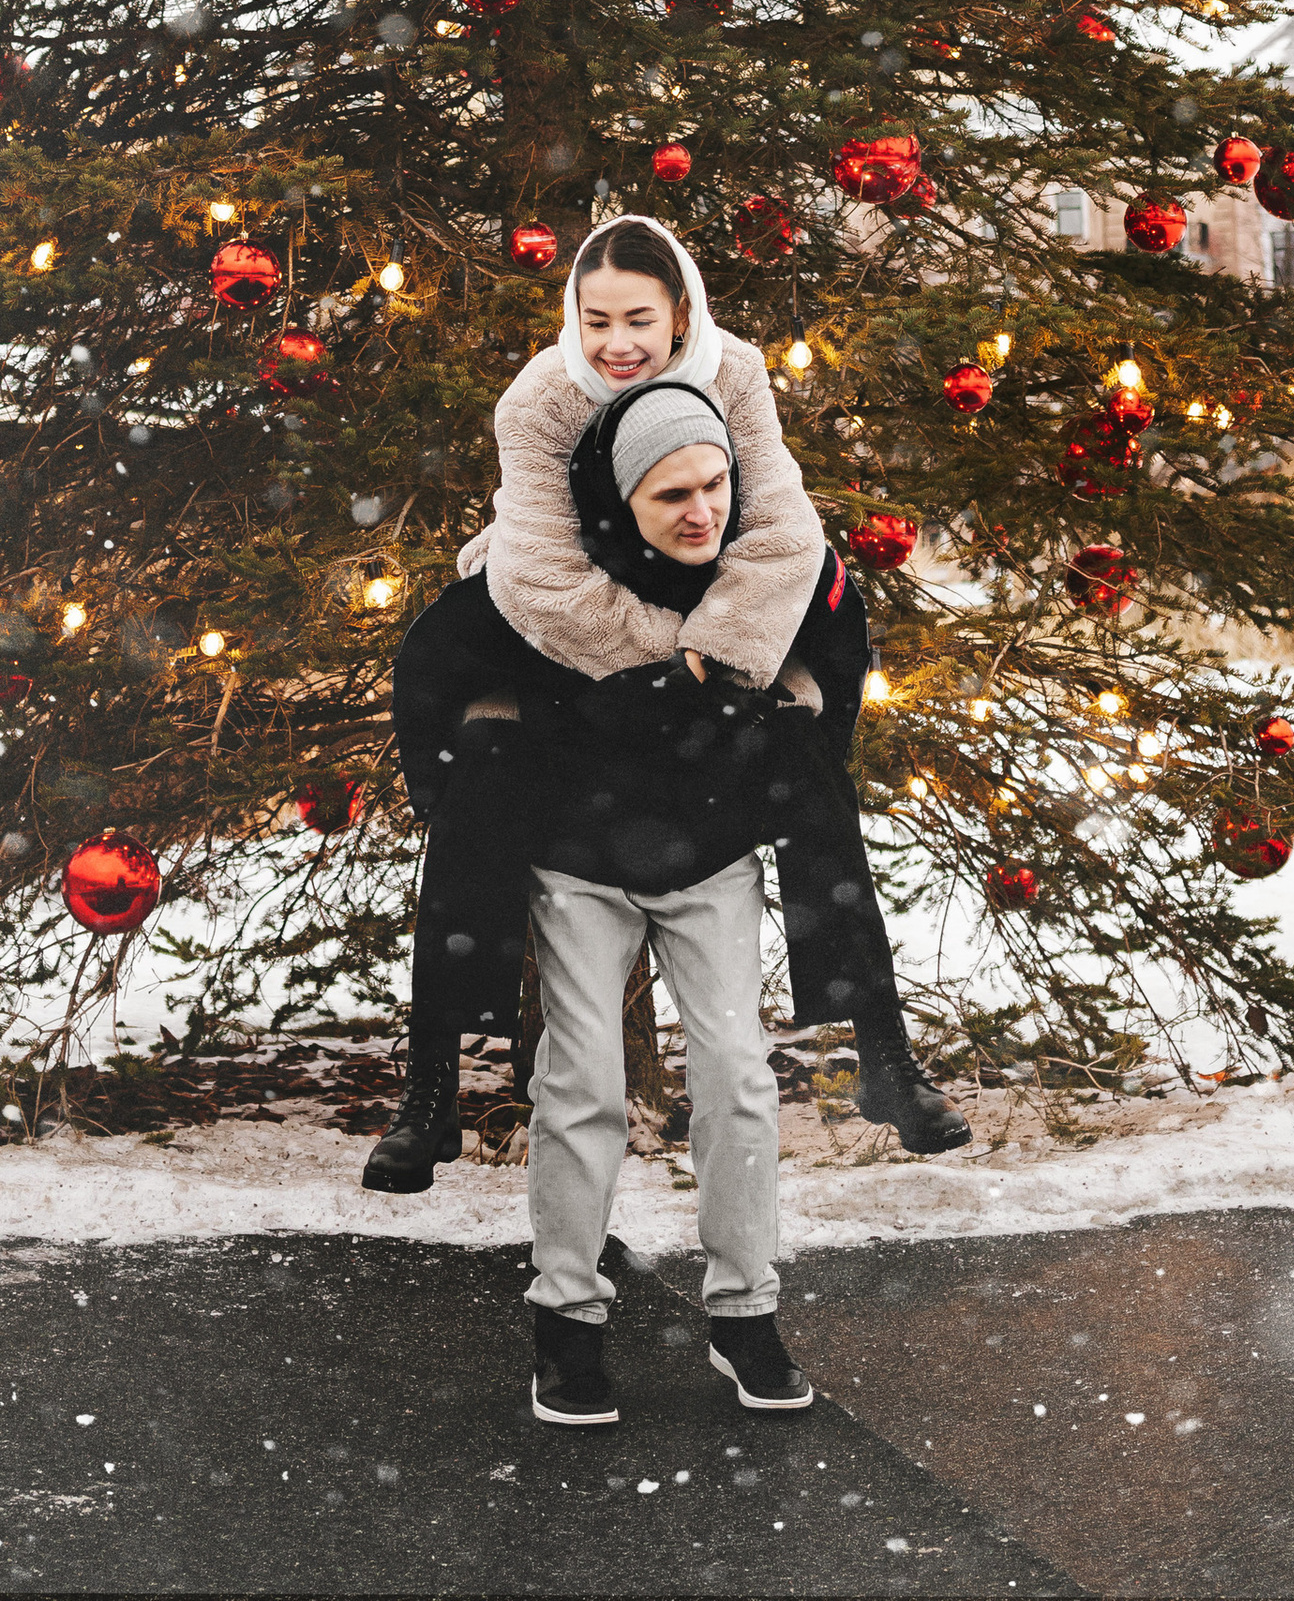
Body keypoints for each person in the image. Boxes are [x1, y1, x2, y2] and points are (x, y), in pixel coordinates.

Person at [363, 215, 965, 1191]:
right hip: (566, 641)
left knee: (811, 763)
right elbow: (546, 581)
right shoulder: (542, 401)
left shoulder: (733, 375)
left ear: (679, 310)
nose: (616, 343)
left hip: (711, 623)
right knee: (480, 770)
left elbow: (779, 536)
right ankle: (430, 1093)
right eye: (595, 318)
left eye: (637, 317)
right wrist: (660, 679)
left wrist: (714, 666)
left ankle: (885, 1063)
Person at [389, 373, 848, 1426]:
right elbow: (437, 678)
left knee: (736, 1073)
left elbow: (834, 657)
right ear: (617, 503)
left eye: (714, 487)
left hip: (710, 855)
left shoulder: (759, 571)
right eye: (670, 496)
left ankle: (746, 1315)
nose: (700, 514)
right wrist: (466, 780)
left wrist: (797, 716)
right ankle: (567, 1320)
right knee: (582, 1081)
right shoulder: (542, 578)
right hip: (577, 860)